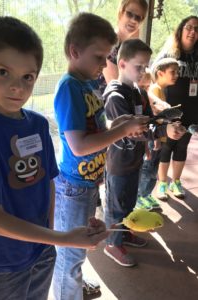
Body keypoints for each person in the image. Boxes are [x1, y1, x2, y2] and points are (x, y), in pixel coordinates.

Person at [0, 16, 110, 300]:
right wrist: (62, 238)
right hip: (2, 264)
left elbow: (47, 185)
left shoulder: (38, 124)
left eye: (27, 76)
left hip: (41, 252)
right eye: (3, 72)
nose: (17, 86)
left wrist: (51, 238)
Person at [52, 13, 149, 300]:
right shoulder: (70, 87)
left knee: (83, 245)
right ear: (74, 52)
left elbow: (96, 129)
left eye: (107, 57)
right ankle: (67, 293)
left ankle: (75, 285)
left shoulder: (89, 85)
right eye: (99, 57)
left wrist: (120, 125)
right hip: (73, 186)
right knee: (70, 253)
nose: (103, 65)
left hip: (88, 183)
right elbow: (80, 146)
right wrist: (122, 131)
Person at [103, 39, 185, 267]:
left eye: (146, 66)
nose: (143, 71)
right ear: (121, 64)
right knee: (115, 206)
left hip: (135, 160)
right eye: (138, 66)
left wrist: (164, 127)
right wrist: (161, 132)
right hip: (118, 163)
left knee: (129, 201)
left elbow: (149, 120)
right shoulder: (115, 96)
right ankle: (112, 243)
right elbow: (133, 130)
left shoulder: (139, 91)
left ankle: (125, 233)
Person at [153, 15, 198, 200]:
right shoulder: (169, 52)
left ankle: (176, 182)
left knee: (182, 146)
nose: (193, 32)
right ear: (181, 30)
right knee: (167, 146)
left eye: (196, 29)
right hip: (170, 108)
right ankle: (163, 183)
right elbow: (154, 71)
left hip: (192, 108)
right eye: (189, 27)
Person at [137, 58, 180, 209]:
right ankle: (140, 197)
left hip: (158, 136)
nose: (146, 88)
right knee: (147, 169)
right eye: (144, 86)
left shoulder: (158, 91)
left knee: (153, 170)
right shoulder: (153, 91)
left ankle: (146, 194)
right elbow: (153, 117)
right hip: (152, 136)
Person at [98, 0, 148, 93]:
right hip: (100, 103)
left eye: (138, 18)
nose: (134, 20)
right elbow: (115, 84)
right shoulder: (109, 42)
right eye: (129, 14)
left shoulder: (128, 46)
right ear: (121, 12)